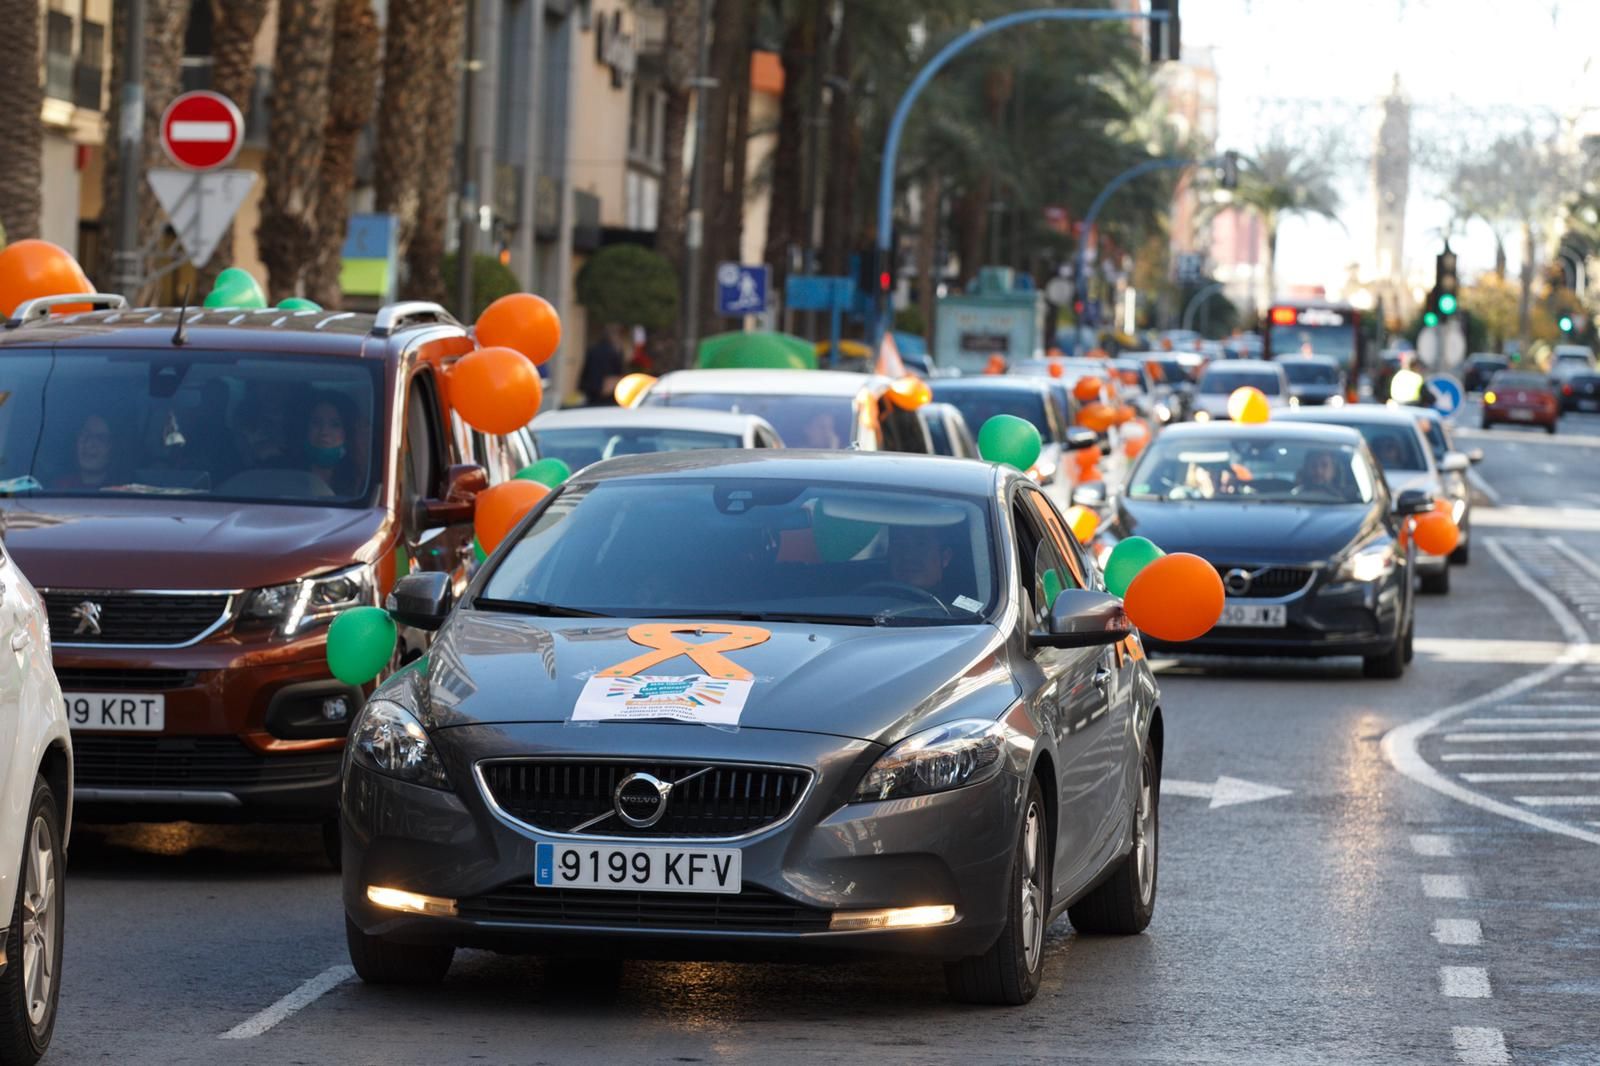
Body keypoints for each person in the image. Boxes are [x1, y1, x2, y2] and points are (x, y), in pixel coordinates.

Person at [304, 393, 364, 495]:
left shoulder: (360, 481)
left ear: (347, 432)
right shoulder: (287, 475)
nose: (324, 432)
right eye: (316, 423)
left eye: (335, 425)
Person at [51, 412, 118, 490]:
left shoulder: (126, 493)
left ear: (112, 447)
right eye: (85, 434)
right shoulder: (58, 489)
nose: (89, 444)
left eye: (100, 438)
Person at [888, 524, 953, 594]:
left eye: (921, 544)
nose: (908, 555)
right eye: (899, 544)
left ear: (945, 557)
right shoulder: (876, 598)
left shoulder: (956, 603)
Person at [580, 323, 627, 406]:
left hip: (591, 392)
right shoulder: (612, 352)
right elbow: (609, 381)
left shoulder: (593, 349)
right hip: (607, 395)